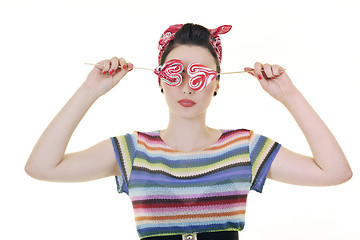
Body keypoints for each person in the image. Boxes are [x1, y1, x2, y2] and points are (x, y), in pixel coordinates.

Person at [25, 23, 352, 240]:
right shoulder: (133, 150)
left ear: (216, 83)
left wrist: (289, 96)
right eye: (174, 73)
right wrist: (89, 90)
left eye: (198, 75)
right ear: (160, 80)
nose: (185, 86)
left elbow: (335, 171)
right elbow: (41, 166)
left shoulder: (243, 147)